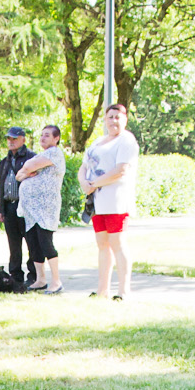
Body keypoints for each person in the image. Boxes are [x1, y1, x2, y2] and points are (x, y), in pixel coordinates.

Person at [80, 103, 138, 301]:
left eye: (118, 117)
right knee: (102, 244)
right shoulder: (97, 142)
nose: (113, 121)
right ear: (104, 119)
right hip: (98, 202)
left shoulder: (126, 141)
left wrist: (94, 183)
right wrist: (84, 183)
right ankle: (102, 290)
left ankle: (123, 292)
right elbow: (84, 166)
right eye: (110, 116)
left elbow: (121, 170)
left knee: (117, 243)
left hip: (116, 201)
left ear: (125, 120)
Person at [16, 123, 66, 294]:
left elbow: (27, 168)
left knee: (46, 242)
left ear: (56, 138)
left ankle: (56, 281)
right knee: (33, 243)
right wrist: (26, 170)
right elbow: (19, 175)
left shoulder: (55, 154)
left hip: (46, 208)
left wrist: (27, 169)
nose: (43, 138)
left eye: (47, 135)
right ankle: (40, 279)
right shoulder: (41, 155)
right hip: (31, 210)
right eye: (42, 135)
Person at [0, 125, 37, 288]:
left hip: (26, 207)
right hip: (10, 206)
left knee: (31, 243)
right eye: (9, 138)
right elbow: (1, 186)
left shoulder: (32, 158)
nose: (11, 141)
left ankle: (33, 275)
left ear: (23, 139)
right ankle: (15, 275)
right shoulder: (4, 161)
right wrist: (1, 208)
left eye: (14, 138)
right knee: (13, 244)